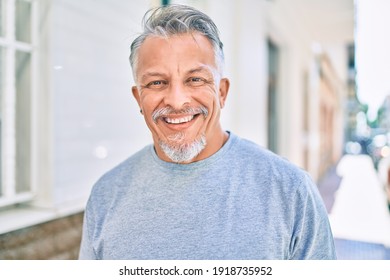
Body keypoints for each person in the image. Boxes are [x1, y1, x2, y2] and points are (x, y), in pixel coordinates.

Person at [79, 4, 336, 260]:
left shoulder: (291, 192)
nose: (177, 101)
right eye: (157, 82)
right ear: (138, 99)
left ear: (222, 92)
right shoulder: (106, 196)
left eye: (196, 79)